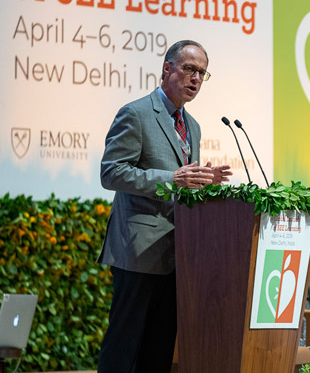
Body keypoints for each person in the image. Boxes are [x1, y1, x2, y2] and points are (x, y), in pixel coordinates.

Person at [96, 40, 232, 373]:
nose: (195, 78)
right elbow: (112, 172)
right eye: (189, 69)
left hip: (178, 256)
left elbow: (183, 186)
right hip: (138, 252)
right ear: (167, 68)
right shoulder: (137, 113)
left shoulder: (194, 126)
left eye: (201, 72)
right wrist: (173, 178)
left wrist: (204, 181)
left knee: (159, 350)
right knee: (124, 346)